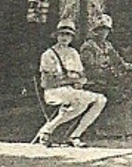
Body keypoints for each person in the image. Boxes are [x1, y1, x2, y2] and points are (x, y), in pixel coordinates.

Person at [34, 19, 107, 147]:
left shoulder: (73, 53)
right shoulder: (48, 55)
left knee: (100, 100)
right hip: (54, 92)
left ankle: (75, 135)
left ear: (72, 37)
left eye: (68, 35)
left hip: (71, 91)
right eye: (62, 34)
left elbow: (81, 75)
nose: (64, 38)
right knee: (80, 102)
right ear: (56, 36)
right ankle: (47, 130)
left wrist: (80, 80)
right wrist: (73, 80)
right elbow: (47, 82)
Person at [79, 13, 132, 121]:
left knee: (129, 84)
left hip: (106, 78)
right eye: (100, 29)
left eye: (106, 30)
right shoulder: (88, 46)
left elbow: (118, 61)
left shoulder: (107, 45)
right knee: (119, 89)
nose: (103, 33)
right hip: (92, 80)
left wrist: (130, 66)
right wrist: (109, 70)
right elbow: (90, 68)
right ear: (94, 30)